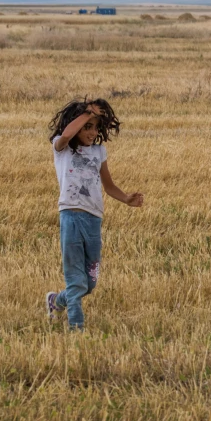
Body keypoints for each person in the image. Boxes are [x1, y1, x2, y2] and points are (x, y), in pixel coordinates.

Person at [44, 98, 143, 331]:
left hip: (93, 220)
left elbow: (108, 186)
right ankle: (76, 328)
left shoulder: (99, 151)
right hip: (70, 216)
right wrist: (87, 113)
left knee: (90, 283)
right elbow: (68, 135)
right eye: (87, 126)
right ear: (76, 124)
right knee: (75, 280)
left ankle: (56, 301)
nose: (92, 131)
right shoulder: (62, 147)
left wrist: (127, 198)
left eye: (95, 126)